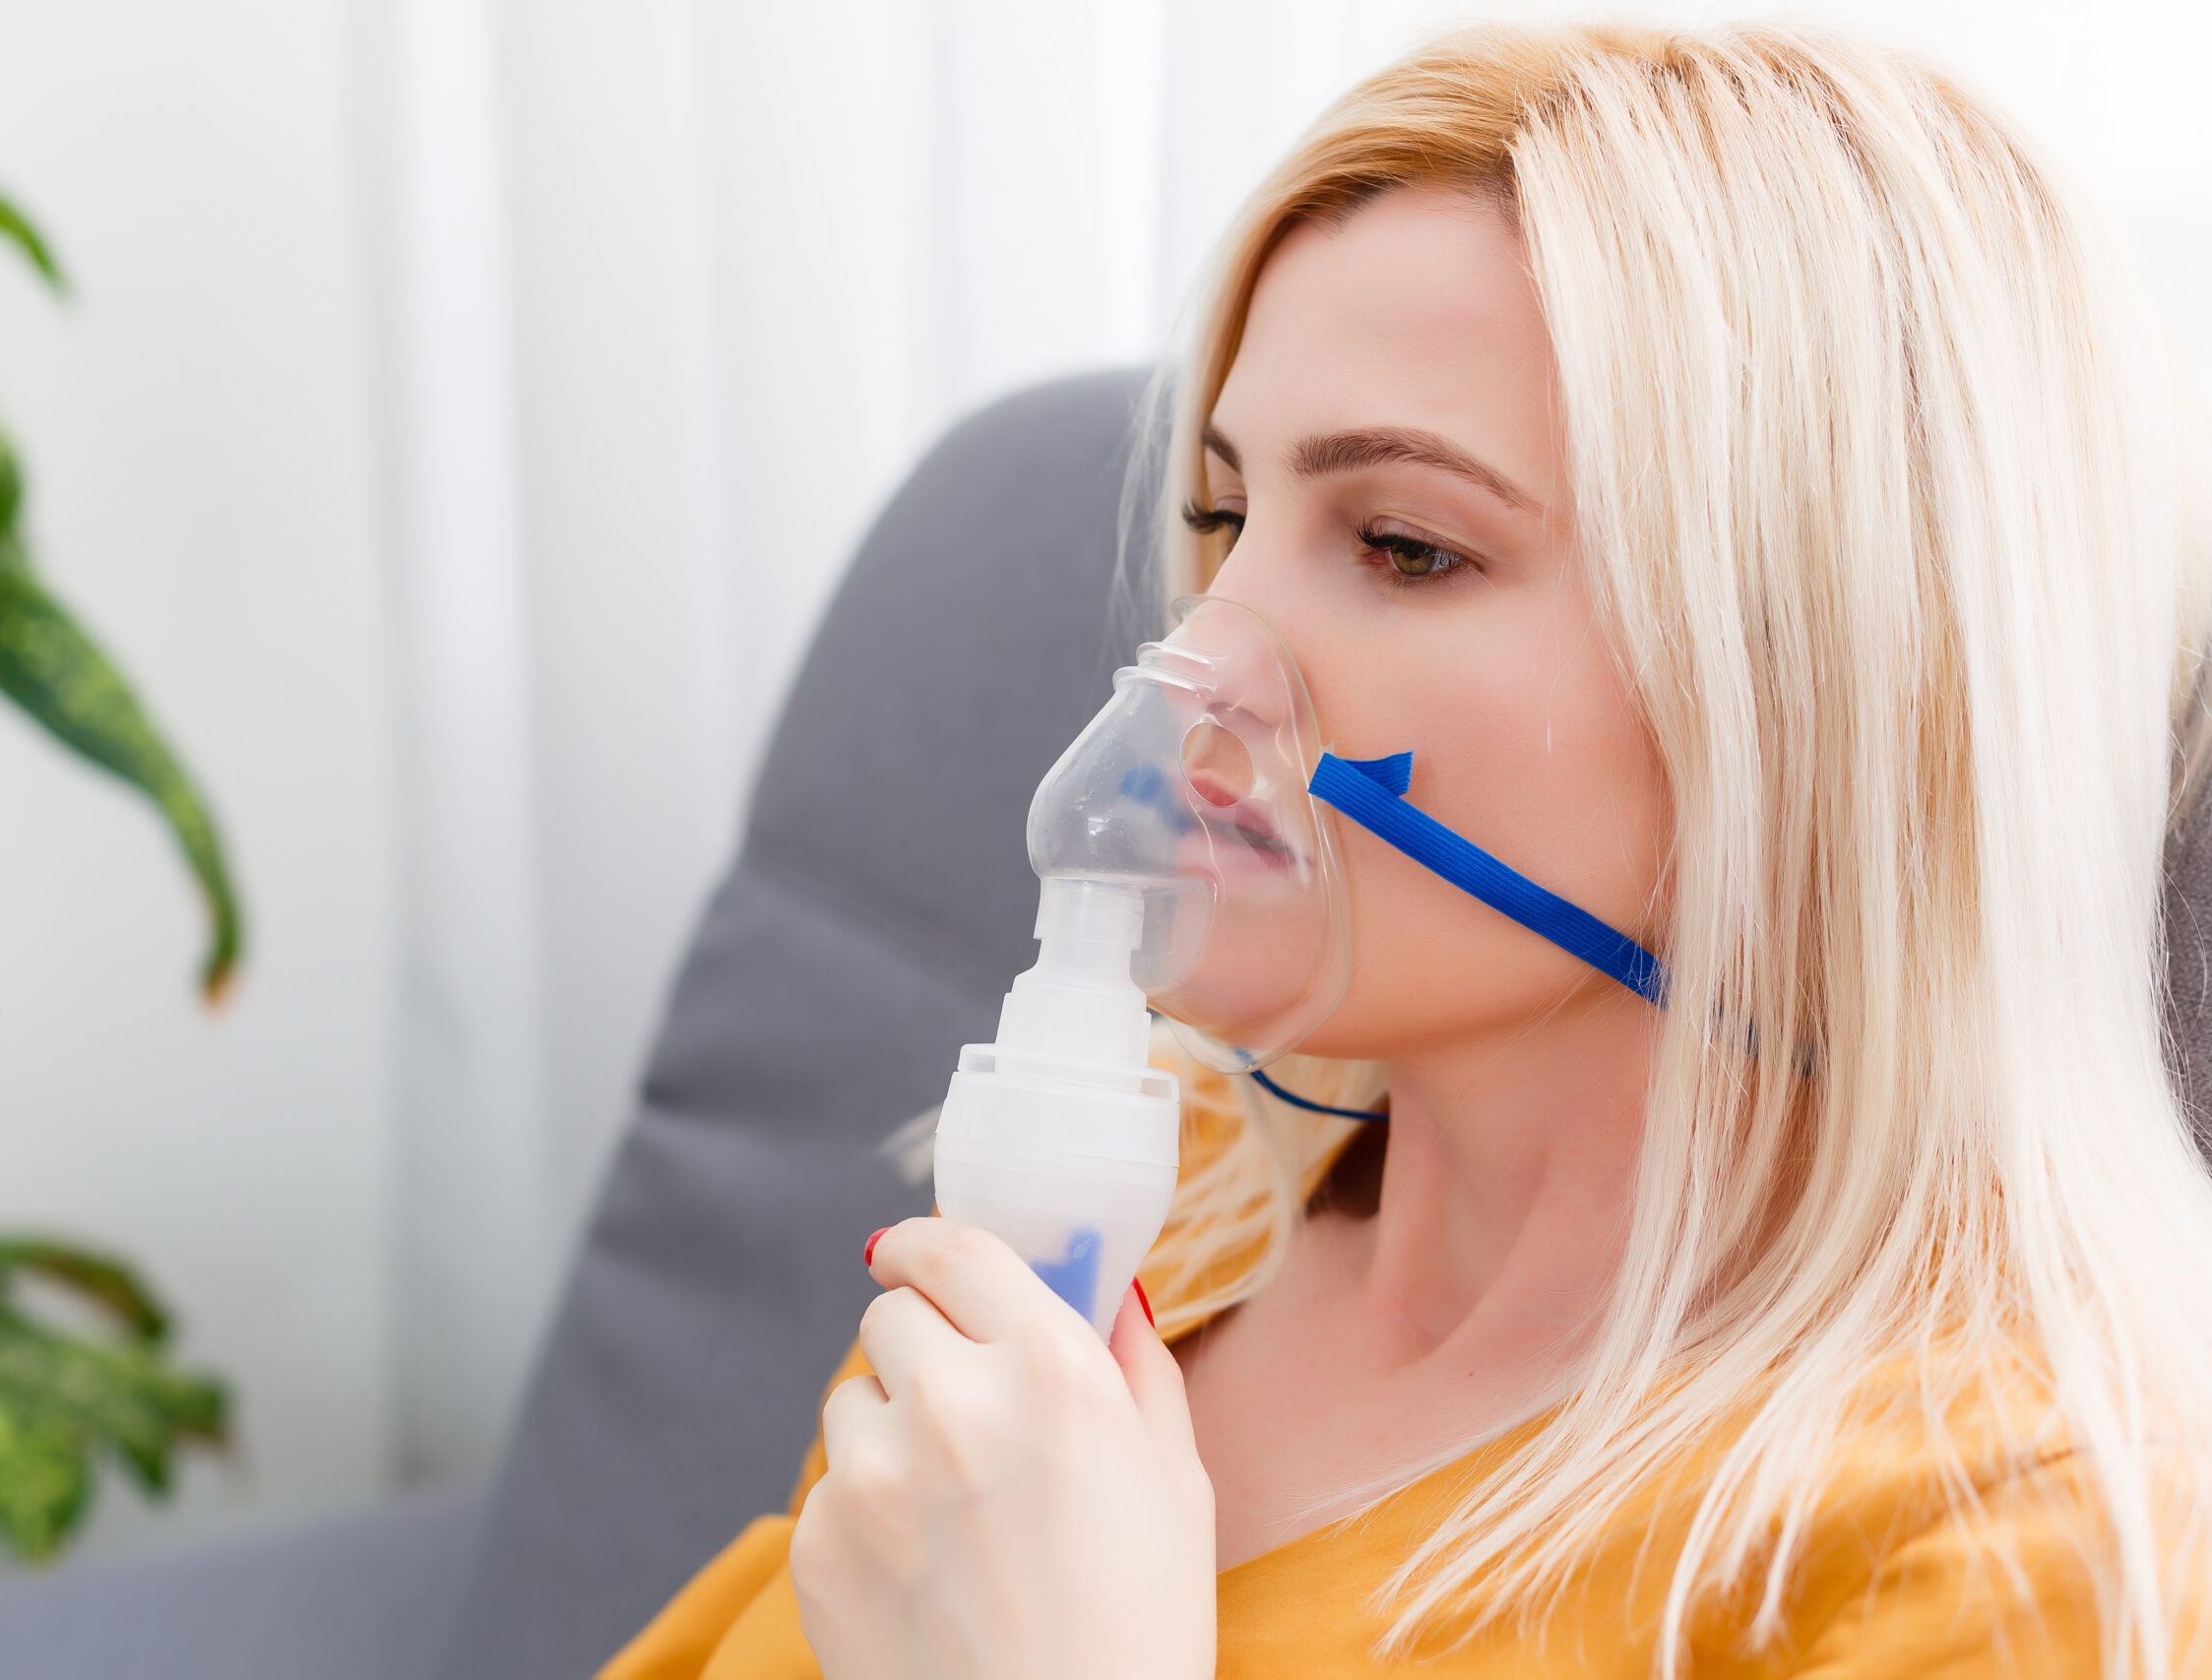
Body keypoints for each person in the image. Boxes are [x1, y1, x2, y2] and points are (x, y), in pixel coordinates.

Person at [601, 21, 2212, 1678]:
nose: (1204, 661)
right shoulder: (1167, 1211)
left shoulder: (2035, 1550)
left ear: (1837, 690)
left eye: (1405, 545)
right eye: (1226, 519)